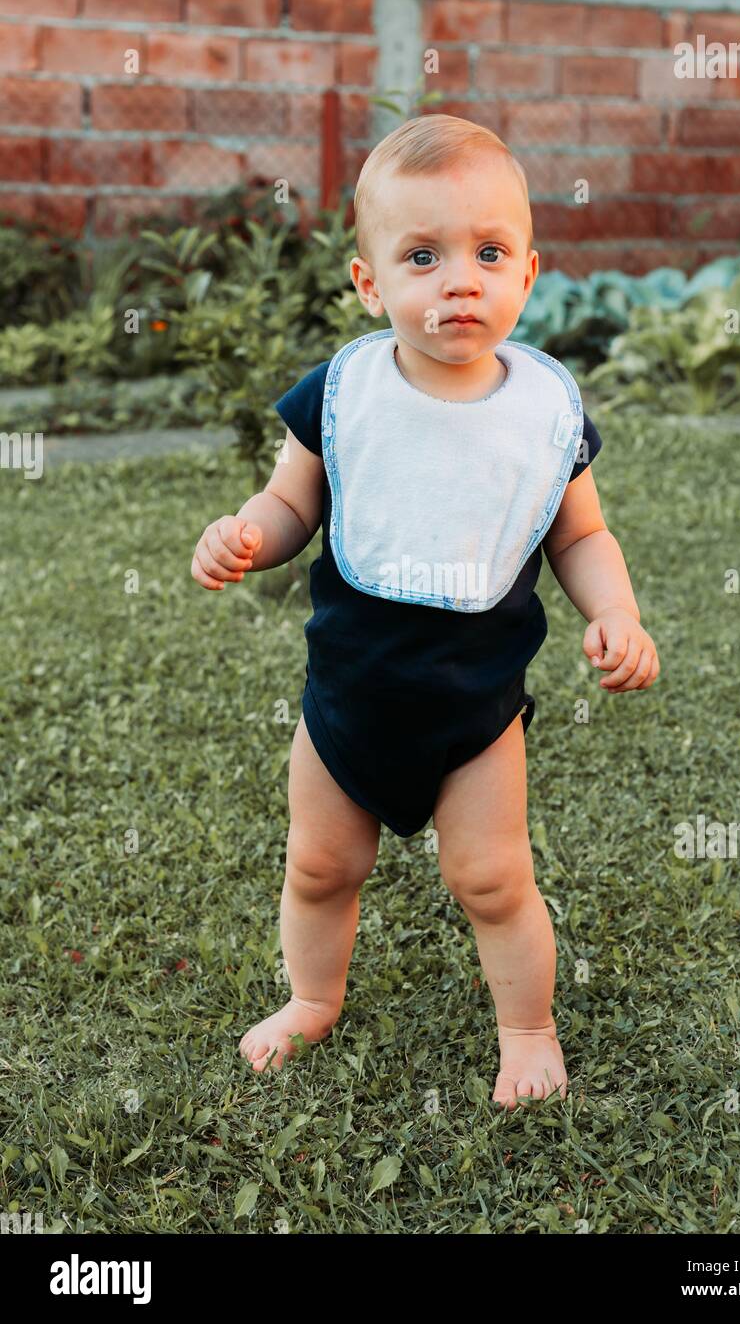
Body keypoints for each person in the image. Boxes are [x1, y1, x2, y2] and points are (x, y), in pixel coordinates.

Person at [191, 115, 660, 1110]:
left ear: (527, 272)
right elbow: (290, 503)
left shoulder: (541, 415)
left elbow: (577, 536)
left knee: (491, 878)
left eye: (488, 252)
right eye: (421, 255)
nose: (459, 279)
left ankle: (526, 1028)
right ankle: (313, 995)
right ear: (369, 284)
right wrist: (246, 532)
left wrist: (613, 611)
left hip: (474, 711)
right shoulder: (341, 393)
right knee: (320, 863)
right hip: (347, 695)